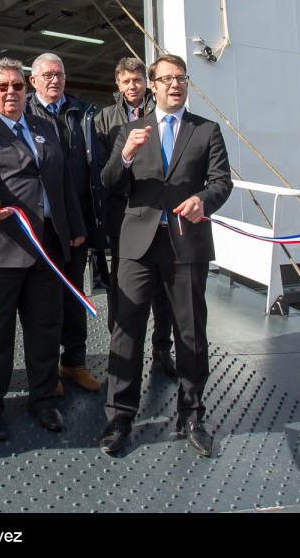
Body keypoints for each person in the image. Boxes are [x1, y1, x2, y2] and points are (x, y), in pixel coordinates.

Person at [99, 54, 231, 458]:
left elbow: (221, 182)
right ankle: (120, 416)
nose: (175, 84)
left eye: (181, 78)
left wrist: (203, 200)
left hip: (185, 244)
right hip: (137, 246)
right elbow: (109, 183)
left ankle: (191, 414)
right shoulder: (131, 129)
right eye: (166, 79)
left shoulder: (206, 130)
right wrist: (124, 156)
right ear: (151, 86)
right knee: (127, 330)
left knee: (191, 334)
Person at [0, 58, 86, 442]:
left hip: (47, 248)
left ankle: (44, 401)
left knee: (46, 328)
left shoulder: (46, 127)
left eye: (17, 86)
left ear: (26, 90)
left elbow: (63, 182)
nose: (11, 92)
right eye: (3, 86)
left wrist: (75, 230)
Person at [25, 53, 106, 394]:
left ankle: (73, 362)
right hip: (40, 224)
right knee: (41, 302)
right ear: (34, 81)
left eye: (58, 74)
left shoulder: (84, 114)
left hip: (77, 224)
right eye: (46, 75)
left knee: (74, 297)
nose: (54, 80)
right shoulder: (23, 113)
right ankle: (45, 373)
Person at [93, 57, 174, 376]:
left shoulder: (162, 114)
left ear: (147, 82)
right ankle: (122, 348)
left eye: (137, 80)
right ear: (118, 84)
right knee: (121, 286)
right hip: (123, 215)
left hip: (159, 212)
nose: (132, 86)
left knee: (164, 287)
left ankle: (161, 349)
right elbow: (102, 173)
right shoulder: (103, 119)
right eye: (126, 81)